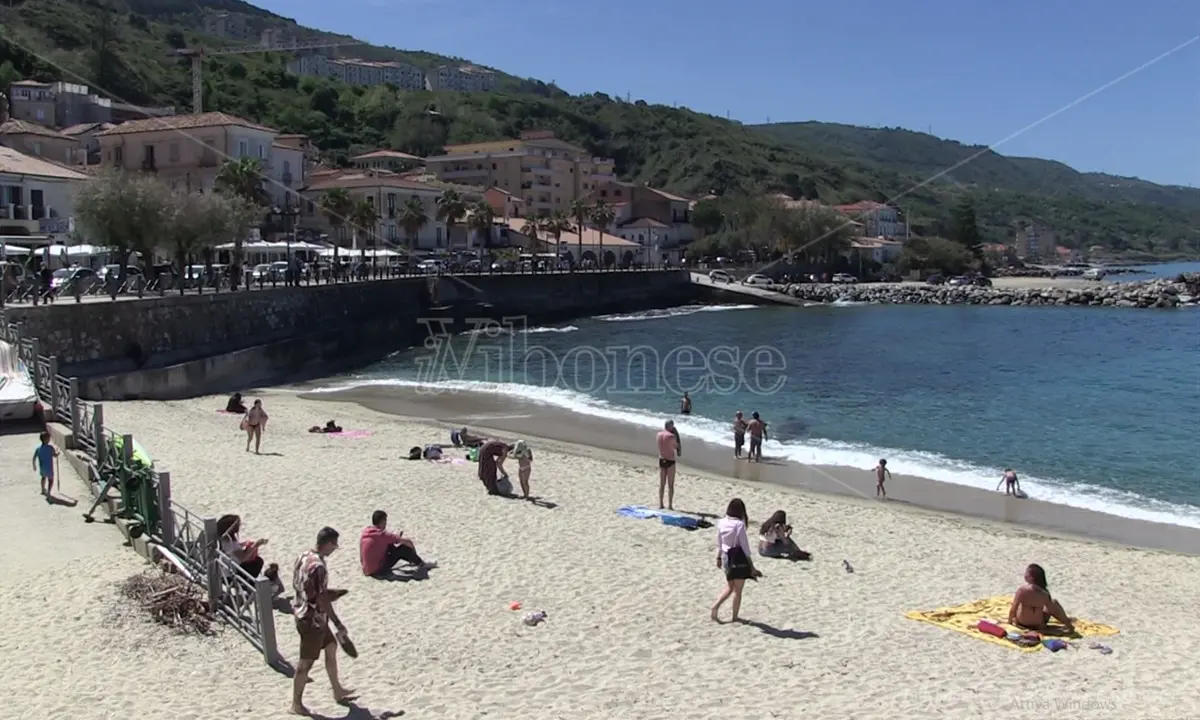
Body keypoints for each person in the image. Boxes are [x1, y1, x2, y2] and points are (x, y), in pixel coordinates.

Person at [291, 527, 355, 715]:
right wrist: (337, 622)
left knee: (331, 646)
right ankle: (296, 704)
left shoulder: (303, 556)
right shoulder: (318, 566)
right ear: (327, 543)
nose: (334, 548)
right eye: (334, 545)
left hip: (303, 611)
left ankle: (337, 690)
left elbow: (302, 585)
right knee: (305, 664)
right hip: (312, 620)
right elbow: (321, 599)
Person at [711, 498, 761, 623]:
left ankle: (715, 607)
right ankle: (734, 616)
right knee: (738, 590)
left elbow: (719, 542)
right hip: (737, 557)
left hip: (725, 557)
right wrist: (751, 565)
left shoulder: (721, 522)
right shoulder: (739, 525)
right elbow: (744, 546)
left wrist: (718, 557)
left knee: (730, 586)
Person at [216, 513, 283, 593]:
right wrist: (256, 545)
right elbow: (243, 558)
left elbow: (235, 550)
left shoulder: (224, 539)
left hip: (225, 571)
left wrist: (245, 544)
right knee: (258, 562)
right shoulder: (230, 543)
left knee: (256, 561)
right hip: (230, 576)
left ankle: (249, 585)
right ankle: (249, 586)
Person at [359, 510, 434, 577]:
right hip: (378, 571)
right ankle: (421, 564)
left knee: (389, 544)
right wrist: (414, 552)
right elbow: (408, 542)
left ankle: (412, 560)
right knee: (403, 549)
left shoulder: (366, 532)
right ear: (382, 521)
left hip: (366, 570)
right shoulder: (382, 534)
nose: (386, 523)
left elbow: (361, 554)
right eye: (385, 521)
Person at [1008, 563, 1073, 633]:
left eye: (1026, 573)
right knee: (1054, 602)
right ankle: (1068, 624)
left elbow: (1013, 610)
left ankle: (1066, 621)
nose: (1024, 575)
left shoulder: (1022, 590)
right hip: (1038, 624)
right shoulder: (1045, 593)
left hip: (1022, 622)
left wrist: (1009, 622)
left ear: (1032, 577)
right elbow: (1052, 610)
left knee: (1018, 604)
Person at [656, 420, 681, 510]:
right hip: (670, 460)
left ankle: (661, 504)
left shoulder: (658, 435)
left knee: (662, 484)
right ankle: (670, 505)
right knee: (670, 485)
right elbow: (676, 447)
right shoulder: (672, 436)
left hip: (661, 460)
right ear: (671, 426)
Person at [32, 431, 58, 497]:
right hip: (49, 468)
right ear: (46, 439)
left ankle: (43, 489)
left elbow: (34, 458)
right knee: (51, 480)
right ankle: (49, 491)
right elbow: (55, 455)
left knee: (43, 477)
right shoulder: (50, 448)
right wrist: (57, 453)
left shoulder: (38, 449)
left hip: (42, 468)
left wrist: (34, 465)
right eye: (48, 438)